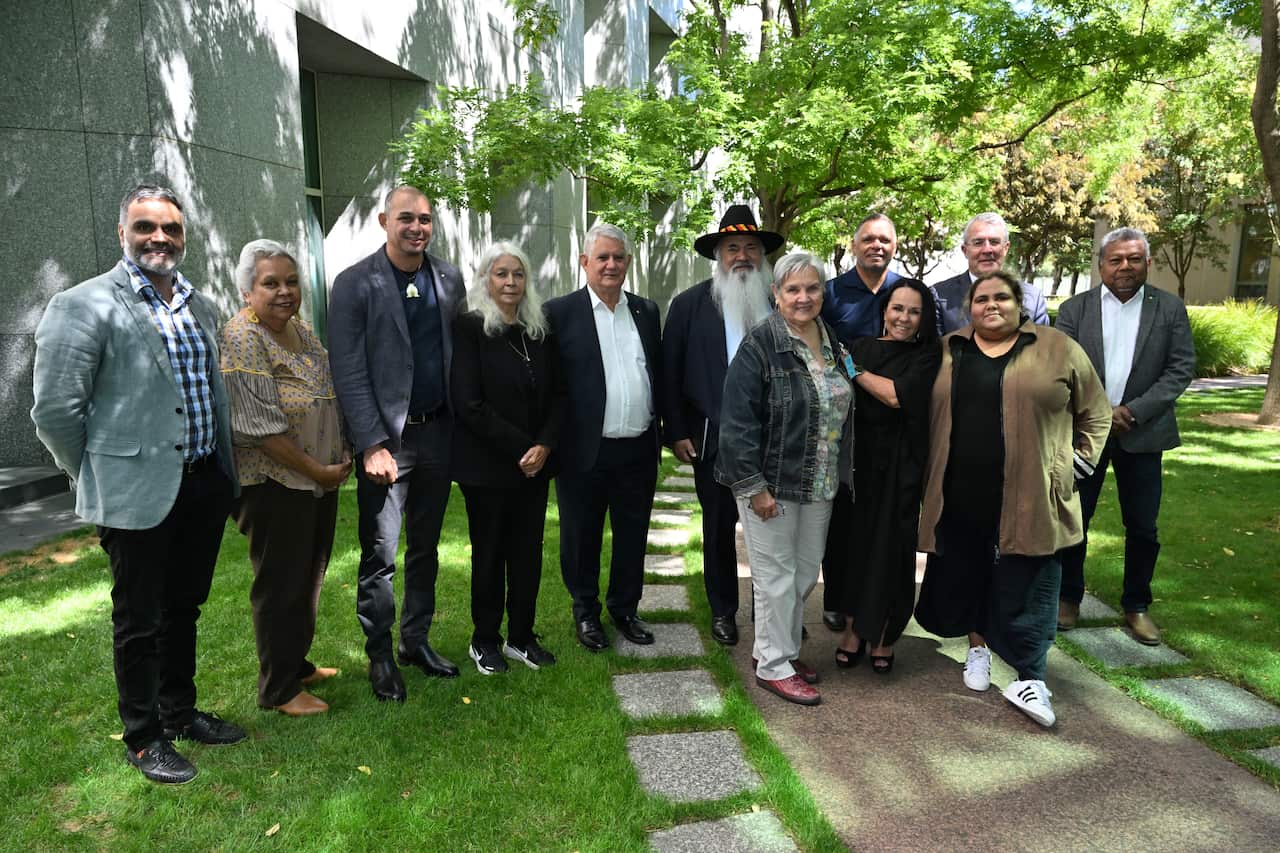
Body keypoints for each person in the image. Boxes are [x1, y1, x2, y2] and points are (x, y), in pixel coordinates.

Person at [31, 184, 245, 784]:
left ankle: (179, 712)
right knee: (139, 620)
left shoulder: (199, 305)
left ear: (183, 236)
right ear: (123, 232)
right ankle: (143, 737)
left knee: (185, 608)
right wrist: (96, 471)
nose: (160, 238)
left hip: (202, 484)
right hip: (135, 493)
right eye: (147, 227)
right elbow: (55, 412)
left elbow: (212, 395)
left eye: (171, 229)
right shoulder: (83, 305)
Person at [915, 271, 1110, 727]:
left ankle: (1031, 676)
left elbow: (1096, 412)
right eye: (981, 298)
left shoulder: (1056, 347)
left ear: (1019, 303)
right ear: (969, 307)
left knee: (1035, 579)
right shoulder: (949, 350)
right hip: (961, 491)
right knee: (970, 571)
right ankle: (977, 650)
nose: (991, 305)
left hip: (1032, 493)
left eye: (1001, 296)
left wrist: (1075, 468)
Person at [328, 185, 466, 702]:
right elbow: (349, 371)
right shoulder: (354, 284)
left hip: (440, 436)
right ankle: (380, 655)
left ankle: (416, 641)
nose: (416, 228)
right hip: (388, 444)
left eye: (425, 220)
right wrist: (370, 444)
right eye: (406, 218)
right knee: (381, 554)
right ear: (384, 220)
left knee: (426, 548)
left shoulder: (449, 279)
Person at [718, 252, 856, 707]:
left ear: (822, 292)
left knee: (801, 577)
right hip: (772, 484)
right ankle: (774, 668)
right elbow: (737, 426)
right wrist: (754, 488)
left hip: (819, 481)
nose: (803, 297)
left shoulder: (831, 339)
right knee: (774, 578)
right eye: (792, 289)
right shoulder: (759, 346)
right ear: (775, 295)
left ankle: (778, 651)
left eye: (812, 288)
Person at [220, 240, 352, 717]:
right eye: (270, 283)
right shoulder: (242, 337)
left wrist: (337, 457)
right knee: (279, 582)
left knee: (308, 576)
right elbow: (256, 429)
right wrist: (317, 468)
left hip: (316, 480)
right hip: (274, 483)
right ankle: (277, 689)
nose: (283, 291)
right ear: (247, 290)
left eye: (291, 281)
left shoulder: (300, 330)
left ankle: (295, 664)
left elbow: (325, 392)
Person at [1055, 227, 1195, 645]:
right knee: (1075, 519)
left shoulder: (1169, 309)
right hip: (1085, 434)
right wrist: (1100, 413)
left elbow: (1179, 369)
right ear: (1100, 265)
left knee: (1143, 526)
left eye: (1134, 259)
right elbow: (1062, 367)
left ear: (1147, 263)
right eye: (1115, 259)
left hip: (1144, 432)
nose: (1125, 267)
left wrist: (1133, 411)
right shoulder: (1075, 309)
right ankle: (1068, 597)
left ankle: (1136, 605)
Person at [662, 205, 781, 646]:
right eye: (733, 248)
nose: (743, 256)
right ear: (719, 255)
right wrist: (675, 431)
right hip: (713, 439)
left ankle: (775, 614)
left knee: (775, 532)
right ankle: (723, 612)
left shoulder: (781, 301)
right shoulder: (690, 305)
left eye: (751, 248)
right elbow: (669, 374)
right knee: (717, 529)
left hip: (774, 440)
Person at [545, 222, 662, 652]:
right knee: (581, 535)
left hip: (638, 447)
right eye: (602, 258)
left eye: (618, 258)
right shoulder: (559, 313)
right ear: (584, 263)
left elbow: (657, 375)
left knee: (633, 534)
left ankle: (625, 609)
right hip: (583, 451)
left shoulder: (647, 311)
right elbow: (550, 386)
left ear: (628, 263)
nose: (611, 265)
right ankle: (586, 612)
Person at [450, 242, 561, 674]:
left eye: (518, 274)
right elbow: (469, 402)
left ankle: (522, 637)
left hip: (536, 467)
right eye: (501, 274)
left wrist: (545, 445)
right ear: (486, 280)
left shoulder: (538, 330)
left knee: (528, 553)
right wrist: (522, 448)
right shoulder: (470, 328)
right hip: (488, 466)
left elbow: (559, 395)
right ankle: (485, 639)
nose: (511, 282)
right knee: (490, 554)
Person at [835, 278, 941, 674]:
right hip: (858, 464)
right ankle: (852, 630)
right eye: (898, 308)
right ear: (884, 310)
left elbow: (897, 396)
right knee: (853, 546)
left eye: (914, 311)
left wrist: (853, 369)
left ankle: (884, 635)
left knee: (893, 551)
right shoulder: (862, 347)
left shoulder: (928, 355)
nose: (904, 318)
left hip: (901, 466)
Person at [818, 213, 902, 632]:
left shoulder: (904, 292)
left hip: (892, 422)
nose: (876, 246)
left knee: (882, 517)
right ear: (854, 246)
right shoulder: (832, 294)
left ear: (895, 245)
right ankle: (836, 598)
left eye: (884, 239)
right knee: (841, 516)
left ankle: (878, 601)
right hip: (841, 421)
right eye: (868, 239)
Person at [930, 212, 1049, 336]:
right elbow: (933, 351)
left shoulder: (1032, 299)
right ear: (965, 250)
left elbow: (1042, 350)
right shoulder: (939, 296)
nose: (987, 250)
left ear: (1006, 248)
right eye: (978, 242)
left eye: (994, 242)